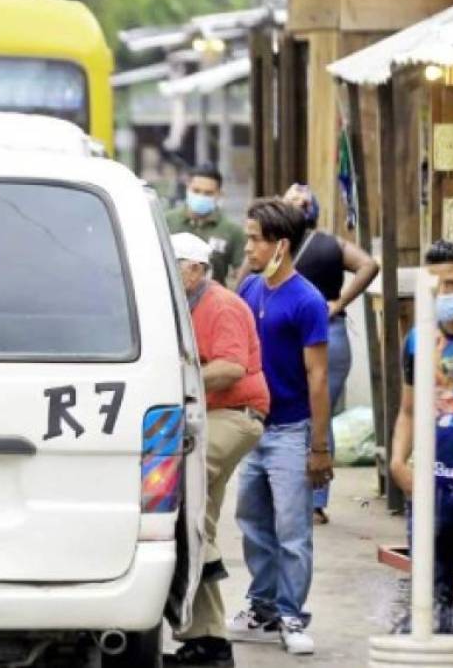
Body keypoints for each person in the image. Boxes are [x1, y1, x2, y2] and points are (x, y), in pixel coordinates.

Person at [228, 198, 331, 656]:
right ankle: (263, 607)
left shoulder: (307, 301)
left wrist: (320, 447)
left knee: (292, 530)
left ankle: (292, 613)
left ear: (281, 245)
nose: (248, 246)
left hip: (291, 431)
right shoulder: (250, 288)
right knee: (252, 521)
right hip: (252, 427)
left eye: (255, 239)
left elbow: (319, 376)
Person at [164, 233, 270, 667]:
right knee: (198, 518)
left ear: (197, 269)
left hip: (236, 415)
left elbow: (230, 368)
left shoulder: (221, 304)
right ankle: (208, 642)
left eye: (176, 264)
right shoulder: (179, 304)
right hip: (206, 415)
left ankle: (199, 563)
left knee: (179, 491)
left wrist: (176, 382)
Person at [388, 239, 453, 633]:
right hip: (429, 488)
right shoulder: (418, 340)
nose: (446, 293)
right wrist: (398, 462)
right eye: (437, 286)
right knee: (431, 603)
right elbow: (410, 409)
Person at [283, 184, 380, 524]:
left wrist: (340, 302)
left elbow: (371, 265)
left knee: (306, 416)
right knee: (316, 416)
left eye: (297, 201)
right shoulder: (330, 244)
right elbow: (368, 264)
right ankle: (312, 502)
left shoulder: (280, 247)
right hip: (328, 331)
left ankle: (308, 500)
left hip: (313, 334)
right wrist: (340, 303)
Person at [167, 164, 246, 286]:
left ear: (219, 194)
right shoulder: (167, 222)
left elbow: (241, 273)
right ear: (188, 188)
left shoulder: (232, 231)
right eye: (196, 191)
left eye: (208, 193)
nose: (201, 197)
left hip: (212, 301)